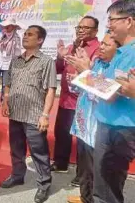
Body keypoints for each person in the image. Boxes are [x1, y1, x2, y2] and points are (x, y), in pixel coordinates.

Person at [0, 25, 57, 203]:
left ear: (40, 40)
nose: (25, 36)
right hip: (15, 113)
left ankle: (44, 185)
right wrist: (5, 100)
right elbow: (8, 81)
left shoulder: (46, 61)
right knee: (16, 149)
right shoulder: (16, 60)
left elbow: (50, 90)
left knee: (39, 153)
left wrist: (45, 115)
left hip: (34, 115)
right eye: (25, 34)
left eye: (30, 34)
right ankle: (17, 176)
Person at [63, 33, 119, 203]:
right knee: (85, 168)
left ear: (119, 50)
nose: (101, 47)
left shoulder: (116, 67)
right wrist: (78, 78)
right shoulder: (97, 64)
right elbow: (87, 89)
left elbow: (109, 93)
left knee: (98, 171)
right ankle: (85, 197)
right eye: (101, 43)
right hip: (84, 126)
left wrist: (85, 72)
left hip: (99, 130)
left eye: (106, 45)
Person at [92, 0, 135, 203]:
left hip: (122, 129)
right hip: (105, 124)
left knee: (109, 187)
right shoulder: (118, 53)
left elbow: (109, 94)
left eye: (112, 20)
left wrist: (86, 75)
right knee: (101, 183)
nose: (108, 24)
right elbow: (108, 88)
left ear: (128, 21)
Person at [52, 16, 100, 187]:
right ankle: (60, 164)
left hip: (84, 102)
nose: (81, 30)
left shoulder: (99, 49)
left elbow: (98, 75)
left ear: (95, 31)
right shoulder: (72, 47)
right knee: (61, 133)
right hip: (66, 99)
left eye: (86, 28)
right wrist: (60, 57)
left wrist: (83, 72)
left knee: (83, 139)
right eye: (79, 27)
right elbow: (58, 69)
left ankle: (83, 175)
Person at [0, 17, 22, 108]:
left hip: (8, 63)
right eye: (5, 26)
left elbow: (18, 52)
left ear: (13, 27)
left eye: (8, 26)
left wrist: (13, 49)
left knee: (5, 84)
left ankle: (4, 100)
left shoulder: (17, 38)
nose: (6, 28)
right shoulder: (0, 35)